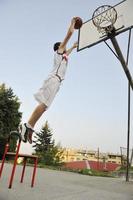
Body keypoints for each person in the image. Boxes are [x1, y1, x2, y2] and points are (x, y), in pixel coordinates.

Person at [21, 17, 78, 144]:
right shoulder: (59, 51)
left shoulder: (63, 57)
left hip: (57, 83)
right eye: (64, 47)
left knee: (45, 106)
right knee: (44, 104)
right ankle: (27, 125)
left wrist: (73, 47)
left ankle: (30, 127)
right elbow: (69, 34)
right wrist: (72, 24)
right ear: (59, 47)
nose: (65, 48)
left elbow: (67, 53)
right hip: (53, 80)